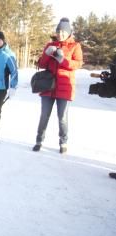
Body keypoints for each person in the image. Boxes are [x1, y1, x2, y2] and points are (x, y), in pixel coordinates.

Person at [32, 17, 83, 154]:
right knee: (44, 115)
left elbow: (78, 64)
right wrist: (48, 55)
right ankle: (39, 140)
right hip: (48, 86)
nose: (60, 34)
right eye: (58, 31)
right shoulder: (50, 45)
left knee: (62, 118)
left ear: (68, 32)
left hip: (65, 87)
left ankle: (63, 142)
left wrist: (62, 59)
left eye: (63, 31)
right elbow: (42, 64)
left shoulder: (75, 46)